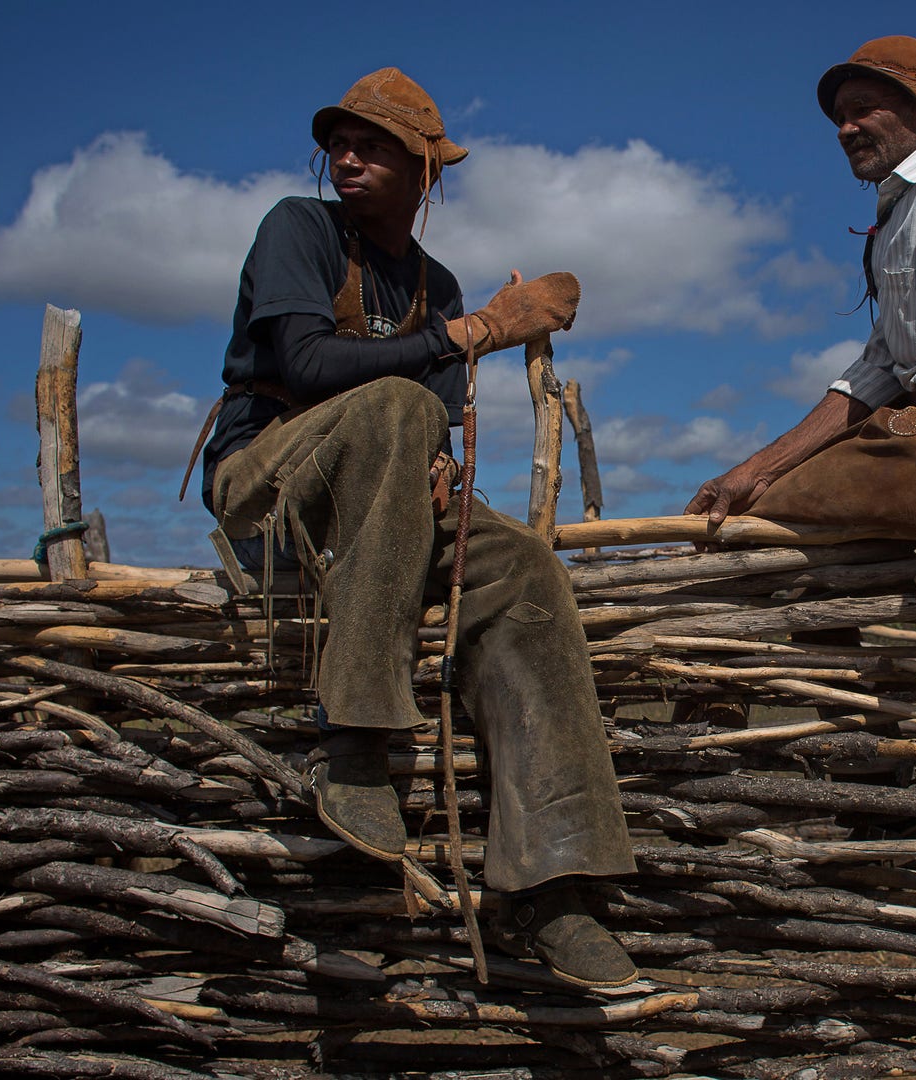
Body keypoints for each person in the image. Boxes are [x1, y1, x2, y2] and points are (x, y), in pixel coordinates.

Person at [191, 68, 637, 989]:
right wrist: (475, 332)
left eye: (375, 146)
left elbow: (427, 426)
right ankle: (354, 740)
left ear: (424, 169)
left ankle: (554, 881)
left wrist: (443, 456)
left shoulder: (432, 282)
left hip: (383, 495)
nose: (347, 158)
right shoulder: (299, 228)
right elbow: (308, 365)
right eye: (340, 144)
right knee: (390, 406)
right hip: (270, 484)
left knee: (522, 570)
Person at [686, 35, 916, 601]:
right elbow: (878, 372)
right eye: (840, 116)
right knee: (750, 503)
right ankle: (821, 662)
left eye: (863, 109)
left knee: (757, 529)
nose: (845, 128)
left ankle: (788, 666)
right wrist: (755, 469)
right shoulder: (896, 221)